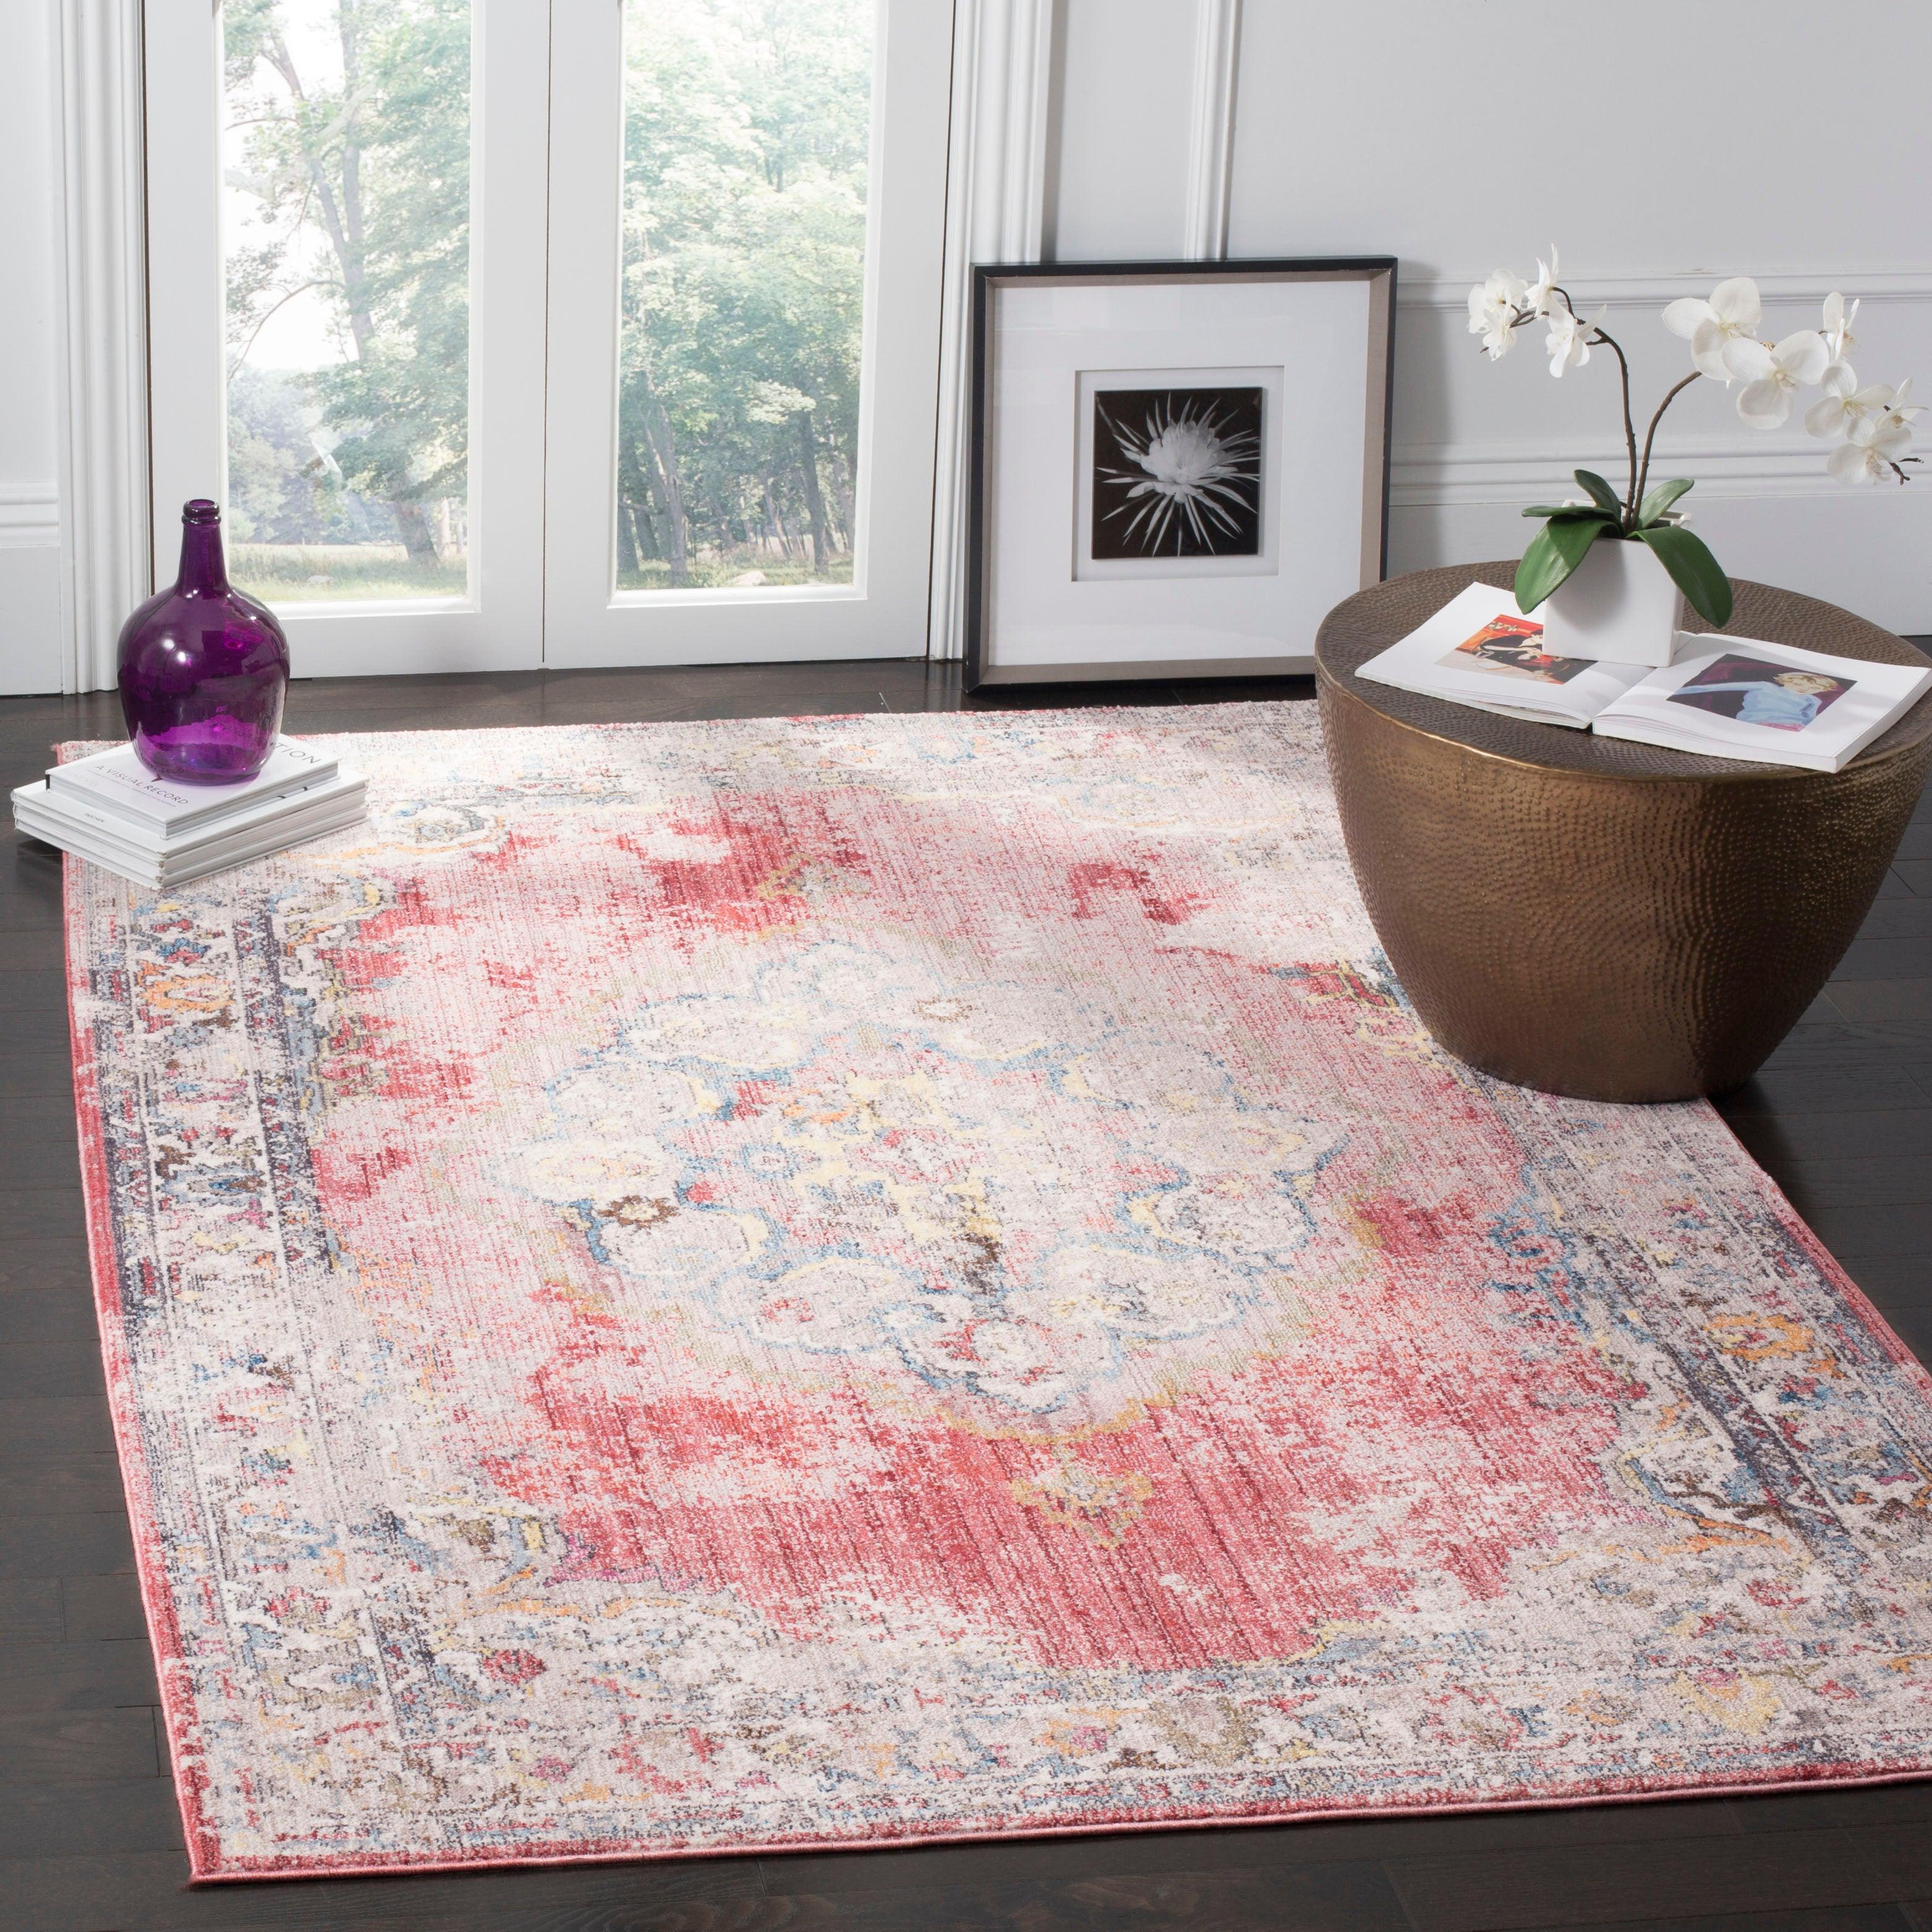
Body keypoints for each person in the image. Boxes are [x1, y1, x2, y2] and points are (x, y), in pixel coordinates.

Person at [1675, 668, 1845, 731]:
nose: (1804, 689)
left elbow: (1810, 720)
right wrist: (1677, 691)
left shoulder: (1812, 700)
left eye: (1813, 689)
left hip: (1792, 729)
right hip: (1754, 724)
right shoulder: (1764, 686)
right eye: (1798, 684)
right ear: (1786, 680)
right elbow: (1716, 688)